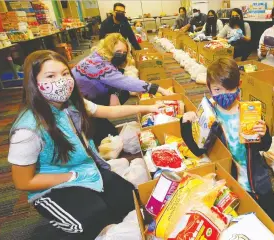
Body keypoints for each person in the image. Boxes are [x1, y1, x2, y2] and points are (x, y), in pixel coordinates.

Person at [8, 50, 163, 239]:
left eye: (65, 74)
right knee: (92, 220)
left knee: (130, 200)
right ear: (34, 82)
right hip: (52, 187)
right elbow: (23, 181)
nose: (61, 81)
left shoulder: (71, 104)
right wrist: (70, 176)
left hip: (86, 171)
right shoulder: (27, 130)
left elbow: (108, 111)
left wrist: (149, 107)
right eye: (51, 76)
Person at [180, 58, 274, 223]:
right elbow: (198, 149)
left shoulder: (249, 112)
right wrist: (185, 124)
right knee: (233, 220)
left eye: (230, 88)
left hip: (256, 177)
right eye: (218, 89)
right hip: (228, 180)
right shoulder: (209, 116)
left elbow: (264, 146)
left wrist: (264, 134)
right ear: (209, 87)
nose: (224, 94)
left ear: (239, 85)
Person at [72, 33, 172, 145]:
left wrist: (113, 94)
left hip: (90, 96)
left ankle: (101, 117)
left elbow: (115, 78)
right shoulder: (97, 64)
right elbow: (124, 82)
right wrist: (158, 89)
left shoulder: (100, 57)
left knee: (123, 93)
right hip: (78, 105)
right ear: (109, 49)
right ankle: (94, 121)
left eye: (124, 53)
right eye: (118, 52)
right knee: (108, 135)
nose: (122, 55)